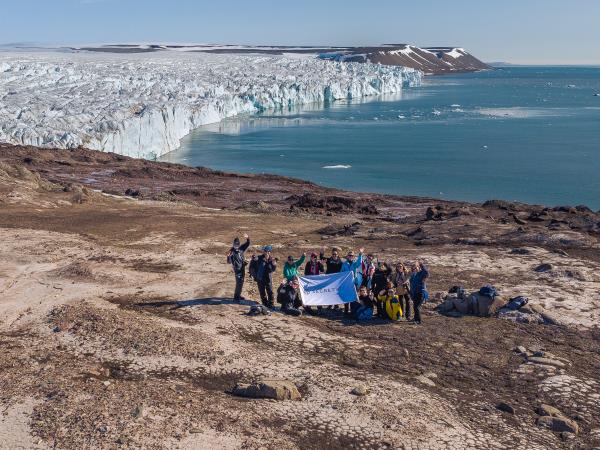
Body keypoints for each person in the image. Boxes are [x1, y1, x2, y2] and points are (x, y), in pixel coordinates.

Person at [226, 233, 250, 301]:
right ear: (233, 244)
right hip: (237, 270)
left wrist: (247, 237)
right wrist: (228, 256)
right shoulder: (231, 252)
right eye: (235, 245)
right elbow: (229, 262)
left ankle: (238, 295)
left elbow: (248, 243)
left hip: (242, 268)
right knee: (238, 283)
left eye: (237, 245)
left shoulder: (241, 248)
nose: (236, 246)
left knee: (241, 283)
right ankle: (236, 298)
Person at [341, 248, 364, 314]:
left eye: (352, 256)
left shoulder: (355, 264)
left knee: (353, 297)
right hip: (346, 283)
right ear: (347, 256)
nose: (351, 257)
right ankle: (346, 310)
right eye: (349, 255)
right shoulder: (344, 264)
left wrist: (360, 254)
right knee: (346, 296)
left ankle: (352, 311)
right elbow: (341, 272)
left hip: (354, 283)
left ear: (353, 257)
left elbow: (359, 262)